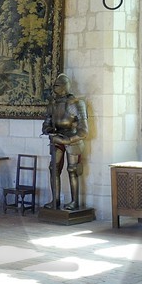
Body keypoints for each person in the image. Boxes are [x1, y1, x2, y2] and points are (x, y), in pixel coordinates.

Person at [42, 73, 90, 210]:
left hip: (73, 139)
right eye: (55, 85)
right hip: (57, 138)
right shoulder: (52, 104)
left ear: (65, 87)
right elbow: (46, 123)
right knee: (53, 169)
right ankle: (55, 200)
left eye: (58, 85)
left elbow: (84, 131)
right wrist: (48, 130)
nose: (55, 88)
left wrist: (68, 140)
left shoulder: (77, 104)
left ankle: (74, 202)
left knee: (72, 170)